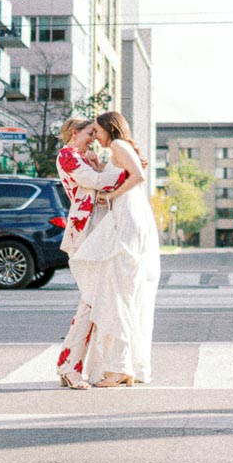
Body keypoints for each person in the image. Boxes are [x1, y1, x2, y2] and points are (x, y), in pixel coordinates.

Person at [68, 110, 160, 388]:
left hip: (127, 220)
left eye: (96, 129)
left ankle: (120, 368)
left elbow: (138, 176)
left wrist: (110, 196)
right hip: (123, 217)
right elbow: (120, 176)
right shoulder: (116, 151)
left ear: (109, 128)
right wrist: (98, 168)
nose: (94, 135)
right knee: (117, 291)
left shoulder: (120, 145)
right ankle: (123, 366)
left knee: (118, 291)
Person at [53, 117, 125, 390]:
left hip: (94, 232)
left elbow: (97, 182)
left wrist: (101, 164)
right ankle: (69, 367)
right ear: (74, 133)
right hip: (84, 235)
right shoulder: (68, 156)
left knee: (94, 302)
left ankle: (74, 365)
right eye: (89, 133)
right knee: (91, 302)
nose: (94, 139)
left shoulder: (79, 157)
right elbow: (96, 182)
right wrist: (125, 169)